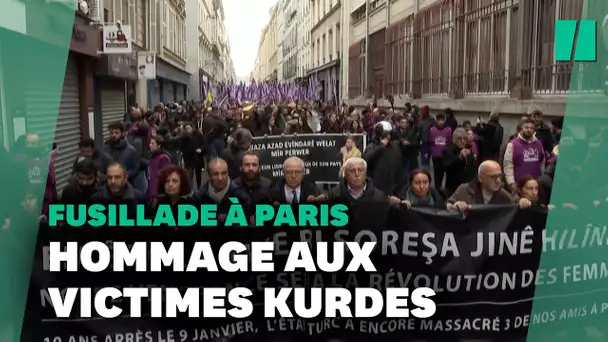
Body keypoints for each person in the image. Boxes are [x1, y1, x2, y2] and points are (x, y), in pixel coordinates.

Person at [446, 160, 530, 212]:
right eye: (493, 177)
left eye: (499, 176)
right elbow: (447, 205)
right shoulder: (464, 189)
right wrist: (455, 206)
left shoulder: (503, 195)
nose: (498, 181)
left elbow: (515, 206)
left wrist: (522, 202)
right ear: (480, 178)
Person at [317, 157, 386, 204]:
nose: (357, 174)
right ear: (346, 174)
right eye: (352, 171)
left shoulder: (379, 198)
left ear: (365, 173)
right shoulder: (333, 197)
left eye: (360, 170)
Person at [503, 118, 545, 194]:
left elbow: (542, 163)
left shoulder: (539, 144)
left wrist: (541, 179)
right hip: (519, 186)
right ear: (521, 128)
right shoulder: (512, 144)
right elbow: (508, 165)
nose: (529, 130)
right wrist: (511, 183)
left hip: (535, 186)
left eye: (531, 128)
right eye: (526, 127)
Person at [363, 122, 403, 194]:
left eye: (388, 134)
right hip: (375, 188)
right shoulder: (371, 146)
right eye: (385, 134)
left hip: (392, 188)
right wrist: (380, 148)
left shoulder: (395, 148)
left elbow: (399, 168)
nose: (387, 136)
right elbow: (366, 160)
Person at [442, 128, 477, 196]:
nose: (462, 141)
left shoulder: (469, 151)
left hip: (467, 187)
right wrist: (459, 158)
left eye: (464, 138)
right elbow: (447, 166)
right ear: (454, 138)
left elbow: (472, 170)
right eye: (459, 138)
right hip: (453, 188)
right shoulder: (447, 151)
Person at [429, 113, 452, 190]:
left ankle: (441, 186)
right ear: (436, 121)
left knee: (442, 171)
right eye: (439, 120)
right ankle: (437, 186)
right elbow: (430, 142)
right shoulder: (432, 130)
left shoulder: (448, 130)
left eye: (442, 120)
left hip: (444, 154)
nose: (440, 122)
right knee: (436, 171)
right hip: (435, 154)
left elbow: (449, 142)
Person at [146, 136, 172, 201]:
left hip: (158, 191)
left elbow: (165, 175)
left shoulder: (163, 158)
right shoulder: (153, 156)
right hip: (151, 187)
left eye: (153, 143)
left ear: (159, 145)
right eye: (150, 143)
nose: (150, 145)